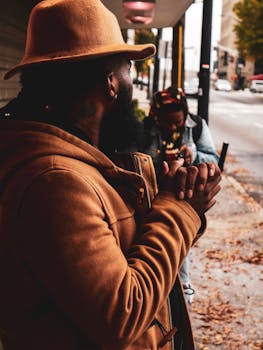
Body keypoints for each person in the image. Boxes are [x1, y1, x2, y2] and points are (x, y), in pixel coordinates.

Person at [0, 1, 221, 349]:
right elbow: (123, 313)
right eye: (128, 69)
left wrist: (166, 200)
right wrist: (181, 212)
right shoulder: (53, 180)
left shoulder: (78, 161)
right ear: (110, 82)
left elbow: (121, 254)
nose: (130, 80)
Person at [141, 86, 219, 303]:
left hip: (185, 196)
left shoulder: (197, 126)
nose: (174, 127)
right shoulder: (145, 128)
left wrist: (193, 155)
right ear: (156, 116)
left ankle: (183, 290)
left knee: (181, 244)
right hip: (151, 196)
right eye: (168, 123)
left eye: (178, 121)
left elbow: (213, 160)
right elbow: (133, 158)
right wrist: (159, 159)